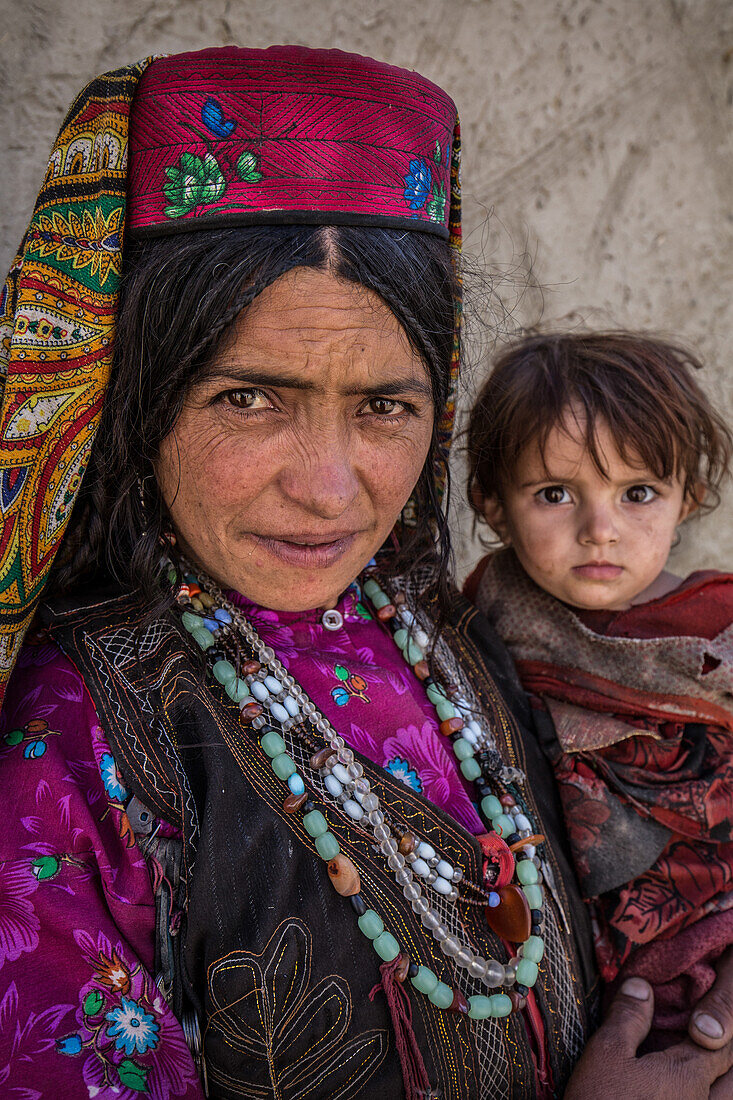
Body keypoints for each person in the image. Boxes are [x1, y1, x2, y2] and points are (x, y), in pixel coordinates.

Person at [0, 48, 732, 1100]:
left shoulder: (459, 634)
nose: (330, 489)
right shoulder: (80, 744)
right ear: (140, 398)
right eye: (249, 398)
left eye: (384, 406)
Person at [465, 330, 733, 1046]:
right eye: (554, 494)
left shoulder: (715, 632)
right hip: (576, 979)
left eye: (638, 493)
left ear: (688, 499)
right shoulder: (482, 623)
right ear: (491, 504)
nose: (599, 530)